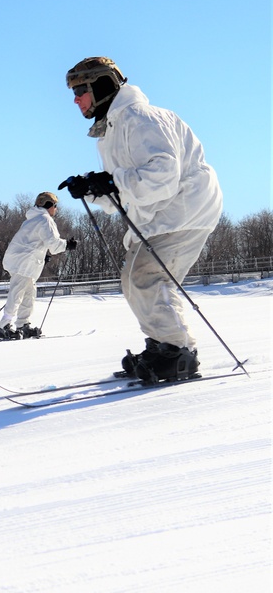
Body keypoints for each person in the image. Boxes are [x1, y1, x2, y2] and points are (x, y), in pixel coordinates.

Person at [59, 56, 222, 382]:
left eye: (80, 90)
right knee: (137, 279)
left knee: (144, 276)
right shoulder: (110, 132)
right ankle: (167, 346)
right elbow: (124, 191)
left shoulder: (141, 118)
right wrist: (92, 188)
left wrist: (111, 181)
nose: (75, 99)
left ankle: (176, 352)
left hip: (184, 209)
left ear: (101, 86)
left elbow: (162, 175)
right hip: (160, 215)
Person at [0, 192, 77, 340]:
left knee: (29, 293)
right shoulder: (45, 220)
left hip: (24, 261)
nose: (56, 209)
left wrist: (43, 255)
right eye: (55, 206)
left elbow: (35, 242)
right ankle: (5, 326)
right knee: (17, 293)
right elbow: (53, 244)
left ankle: (23, 324)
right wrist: (67, 245)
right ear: (49, 205)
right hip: (22, 262)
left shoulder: (33, 219)